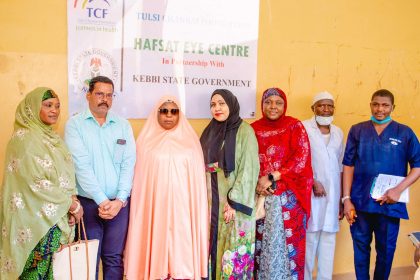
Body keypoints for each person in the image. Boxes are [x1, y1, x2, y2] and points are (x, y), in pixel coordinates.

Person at [0, 88, 83, 279]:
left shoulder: (53, 139)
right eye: (48, 105)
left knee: (53, 272)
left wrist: (72, 201)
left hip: (56, 215)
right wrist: (70, 204)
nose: (54, 110)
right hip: (33, 220)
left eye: (57, 106)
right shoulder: (25, 139)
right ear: (32, 108)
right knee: (34, 273)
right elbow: (34, 182)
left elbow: (66, 175)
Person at [124, 96, 208, 279]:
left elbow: (197, 186)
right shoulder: (145, 144)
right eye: (164, 111)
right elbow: (140, 185)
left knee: (181, 249)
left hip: (183, 210)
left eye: (174, 111)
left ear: (179, 114)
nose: (169, 115)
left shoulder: (191, 144)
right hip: (155, 209)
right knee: (156, 242)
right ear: (157, 113)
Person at [342, 89, 420, 279]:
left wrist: (398, 190)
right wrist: (346, 199)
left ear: (393, 107)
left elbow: (417, 167)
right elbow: (348, 165)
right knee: (360, 250)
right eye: (376, 104)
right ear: (370, 105)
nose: (380, 109)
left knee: (386, 251)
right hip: (360, 203)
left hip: (390, 204)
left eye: (385, 105)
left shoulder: (405, 133)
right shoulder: (358, 130)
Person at [65, 76, 136, 279]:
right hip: (88, 204)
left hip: (118, 206)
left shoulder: (123, 125)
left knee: (114, 258)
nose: (104, 99)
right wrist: (104, 202)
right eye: (99, 94)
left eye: (108, 95)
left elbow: (128, 164)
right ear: (88, 95)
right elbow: (81, 166)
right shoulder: (75, 125)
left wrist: (120, 200)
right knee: (89, 259)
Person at [252, 87, 313, 280]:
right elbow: (247, 161)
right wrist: (257, 184)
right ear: (262, 105)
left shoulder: (294, 126)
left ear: (284, 105)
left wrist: (272, 176)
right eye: (268, 102)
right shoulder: (252, 129)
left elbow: (301, 159)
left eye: (278, 103)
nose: (273, 107)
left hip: (289, 200)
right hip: (262, 198)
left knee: (288, 249)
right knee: (262, 247)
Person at [200, 89, 259, 280]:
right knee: (212, 248)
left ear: (231, 104)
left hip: (233, 204)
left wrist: (234, 201)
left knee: (232, 251)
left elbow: (249, 168)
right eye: (213, 104)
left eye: (221, 103)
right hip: (211, 203)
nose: (216, 108)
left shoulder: (245, 131)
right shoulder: (209, 132)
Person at [302, 91, 344, 280]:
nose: (326, 109)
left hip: (333, 195)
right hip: (310, 194)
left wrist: (342, 200)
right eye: (321, 105)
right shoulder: (303, 127)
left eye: (329, 106)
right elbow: (299, 161)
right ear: (313, 108)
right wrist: (312, 181)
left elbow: (341, 166)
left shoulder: (338, 132)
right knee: (309, 242)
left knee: (328, 242)